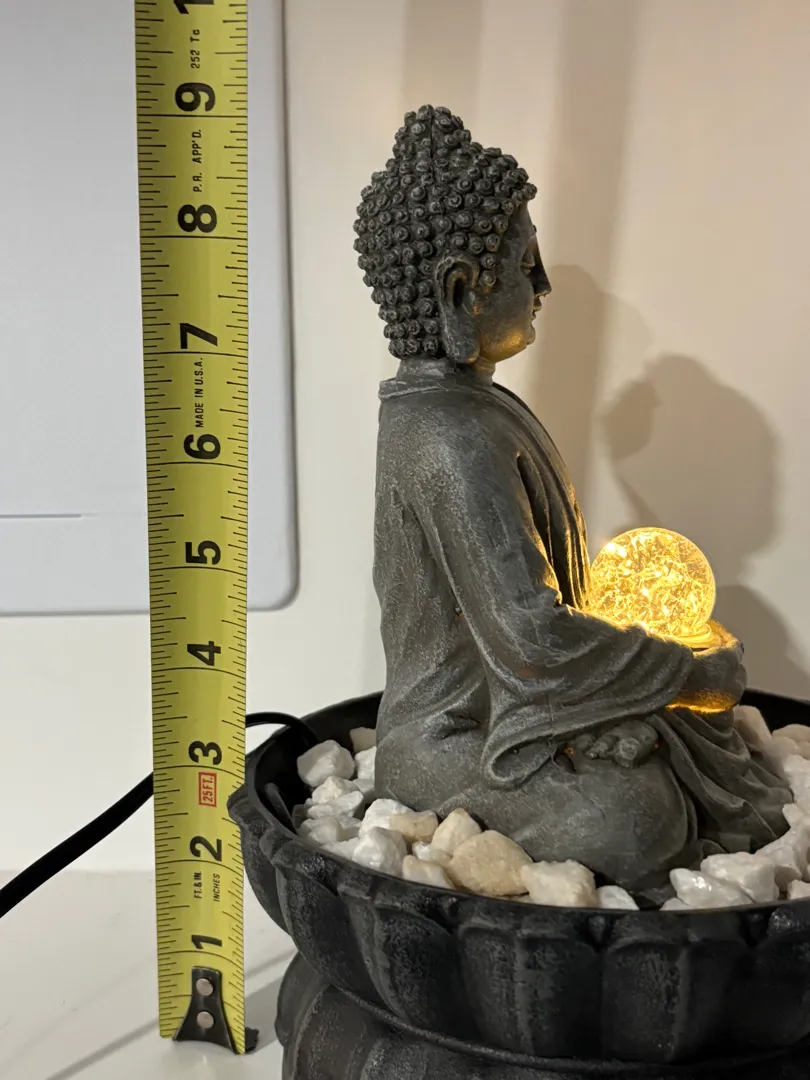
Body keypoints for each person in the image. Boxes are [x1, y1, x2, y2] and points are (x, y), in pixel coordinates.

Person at [354, 106, 789, 895]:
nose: (545, 285)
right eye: (527, 265)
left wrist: (635, 690)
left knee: (691, 746)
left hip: (514, 705)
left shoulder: (472, 408)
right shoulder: (446, 434)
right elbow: (532, 640)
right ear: (460, 291)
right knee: (635, 820)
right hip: (450, 736)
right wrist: (687, 675)